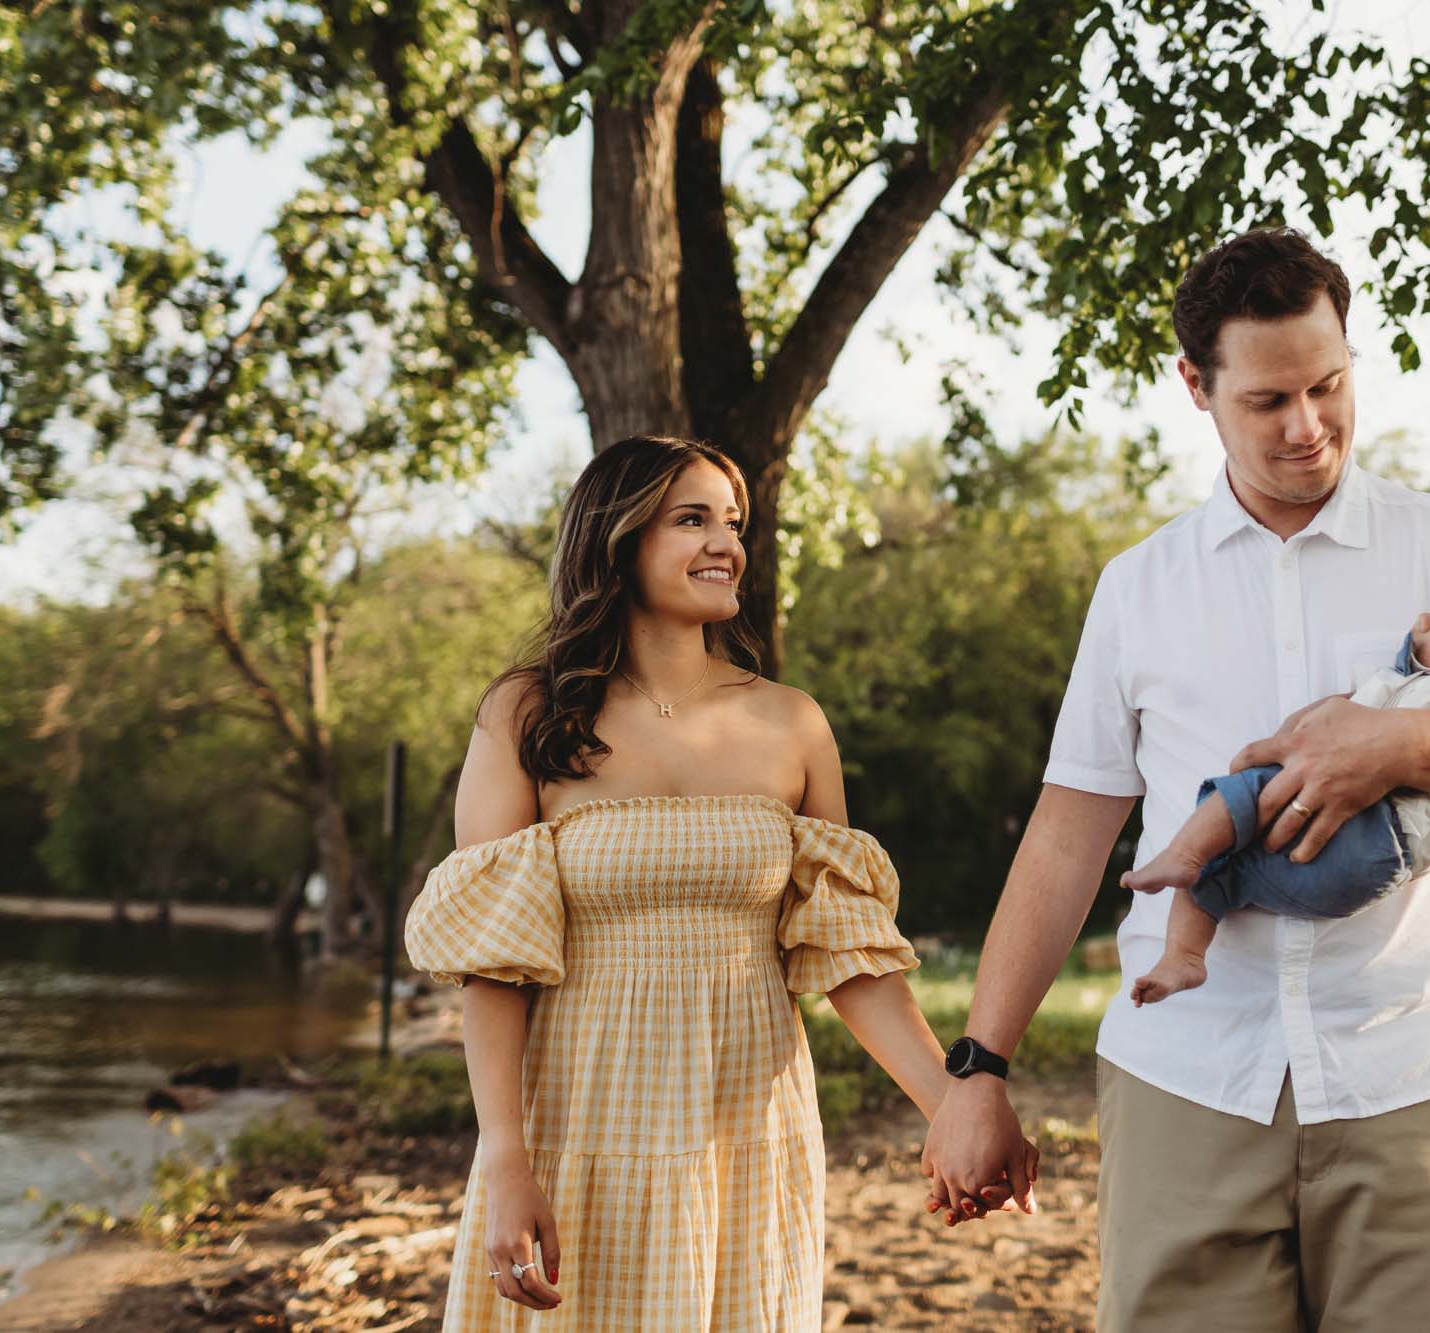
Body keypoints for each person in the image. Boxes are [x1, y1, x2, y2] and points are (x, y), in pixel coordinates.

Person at [918, 229, 1430, 1330]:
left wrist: (1392, 745)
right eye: (1265, 401)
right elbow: (1066, 835)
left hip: (1413, 1068)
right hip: (1187, 1078)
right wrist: (978, 1066)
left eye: (1327, 385)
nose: (1306, 426)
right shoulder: (1137, 588)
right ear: (1194, 386)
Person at [404, 435, 1034, 1330]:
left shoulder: (791, 723)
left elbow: (850, 958)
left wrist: (957, 1107)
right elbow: (494, 966)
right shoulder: (530, 713)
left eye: (732, 523)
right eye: (691, 519)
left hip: (746, 1126)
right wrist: (506, 1157)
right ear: (616, 540)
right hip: (580, 1121)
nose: (725, 544)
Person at [1126, 576, 1430, 1005]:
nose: (1423, 622)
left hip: (1377, 827)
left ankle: (1182, 855)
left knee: (1245, 792)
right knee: (1227, 866)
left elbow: (1346, 729)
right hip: (1379, 865)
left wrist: (1306, 729)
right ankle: (1183, 957)